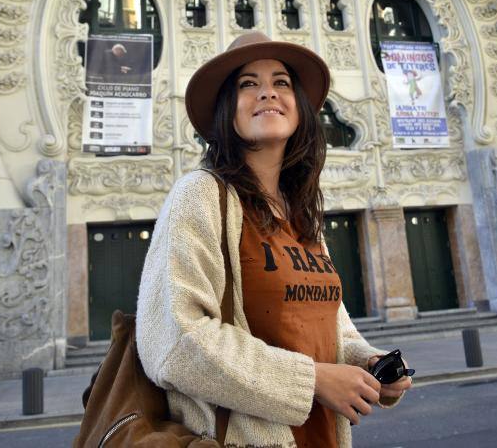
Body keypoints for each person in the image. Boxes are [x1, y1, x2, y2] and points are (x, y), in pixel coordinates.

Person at [136, 32, 412, 448]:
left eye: (281, 82)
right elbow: (174, 342)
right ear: (228, 109)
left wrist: (366, 363)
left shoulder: (302, 215)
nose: (267, 92)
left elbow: (328, 326)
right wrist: (315, 380)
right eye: (249, 84)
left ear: (298, 106)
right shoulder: (202, 195)